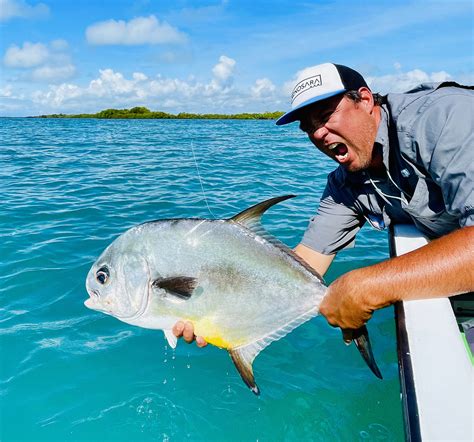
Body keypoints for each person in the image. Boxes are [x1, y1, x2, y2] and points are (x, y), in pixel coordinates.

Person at [173, 62, 474, 346]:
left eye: (327, 114)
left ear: (366, 100)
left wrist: (368, 286)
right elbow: (303, 265)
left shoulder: (447, 118)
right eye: (308, 127)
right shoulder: (345, 183)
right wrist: (209, 304)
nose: (317, 133)